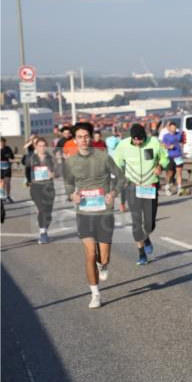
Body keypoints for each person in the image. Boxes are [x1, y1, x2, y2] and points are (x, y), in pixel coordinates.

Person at [63, 122, 124, 309]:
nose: (83, 140)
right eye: (79, 137)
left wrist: (113, 194)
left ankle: (103, 264)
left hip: (104, 212)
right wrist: (72, 195)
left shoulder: (104, 157)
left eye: (86, 136)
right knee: (90, 253)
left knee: (103, 258)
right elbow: (68, 187)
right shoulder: (70, 162)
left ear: (91, 137)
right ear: (75, 140)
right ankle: (95, 294)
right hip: (84, 212)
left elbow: (121, 178)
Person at [113, 123, 168, 265]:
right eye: (135, 140)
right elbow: (115, 163)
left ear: (145, 137)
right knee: (136, 222)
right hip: (133, 186)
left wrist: (160, 166)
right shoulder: (123, 145)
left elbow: (165, 157)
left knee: (149, 224)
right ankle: (141, 253)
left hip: (150, 186)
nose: (137, 143)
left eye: (140, 140)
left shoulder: (154, 142)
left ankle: (146, 237)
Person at [24, 136, 56, 243]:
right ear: (36, 147)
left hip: (49, 187)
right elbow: (27, 170)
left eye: (44, 146)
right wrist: (29, 180)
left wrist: (54, 174)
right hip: (36, 187)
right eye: (40, 146)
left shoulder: (51, 158)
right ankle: (43, 233)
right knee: (42, 209)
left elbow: (59, 171)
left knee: (48, 213)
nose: (42, 148)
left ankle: (44, 228)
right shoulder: (31, 158)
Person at [159, 121, 184, 196]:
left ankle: (180, 188)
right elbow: (162, 145)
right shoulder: (166, 136)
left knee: (179, 173)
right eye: (172, 127)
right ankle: (167, 187)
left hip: (178, 156)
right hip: (170, 156)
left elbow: (182, 142)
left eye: (175, 127)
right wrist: (168, 147)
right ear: (169, 128)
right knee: (170, 173)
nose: (174, 129)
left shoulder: (179, 135)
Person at [1, 137, 15, 203]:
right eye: (1, 142)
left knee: (8, 182)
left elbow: (12, 157)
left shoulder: (8, 148)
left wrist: (10, 157)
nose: (2, 144)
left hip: (7, 166)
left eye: (3, 142)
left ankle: (8, 196)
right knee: (1, 182)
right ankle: (2, 196)